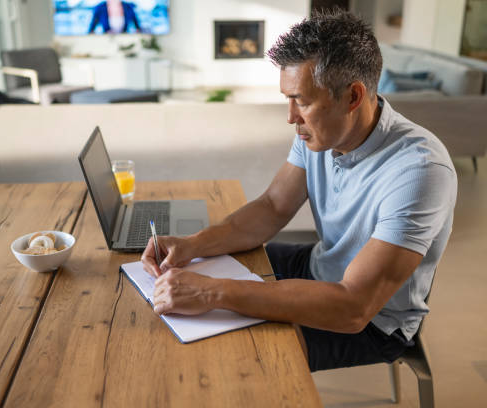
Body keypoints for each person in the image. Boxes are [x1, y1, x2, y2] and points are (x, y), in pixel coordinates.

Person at [141, 10, 457, 371]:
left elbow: (354, 306)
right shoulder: (320, 134)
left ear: (353, 96)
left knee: (231, 356)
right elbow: (274, 206)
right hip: (320, 266)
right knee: (207, 268)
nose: (291, 117)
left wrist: (213, 291)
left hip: (373, 322)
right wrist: (194, 243)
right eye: (287, 99)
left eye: (302, 101)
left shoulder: (419, 170)